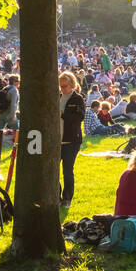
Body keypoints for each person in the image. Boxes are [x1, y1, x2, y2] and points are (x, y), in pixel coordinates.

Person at [60, 71, 85, 209]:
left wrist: (62, 115)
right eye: (60, 86)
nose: (62, 89)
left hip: (71, 141)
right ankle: (56, 195)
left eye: (64, 86)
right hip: (56, 140)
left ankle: (67, 198)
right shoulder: (57, 97)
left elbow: (79, 118)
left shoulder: (78, 99)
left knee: (67, 170)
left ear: (72, 85)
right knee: (52, 171)